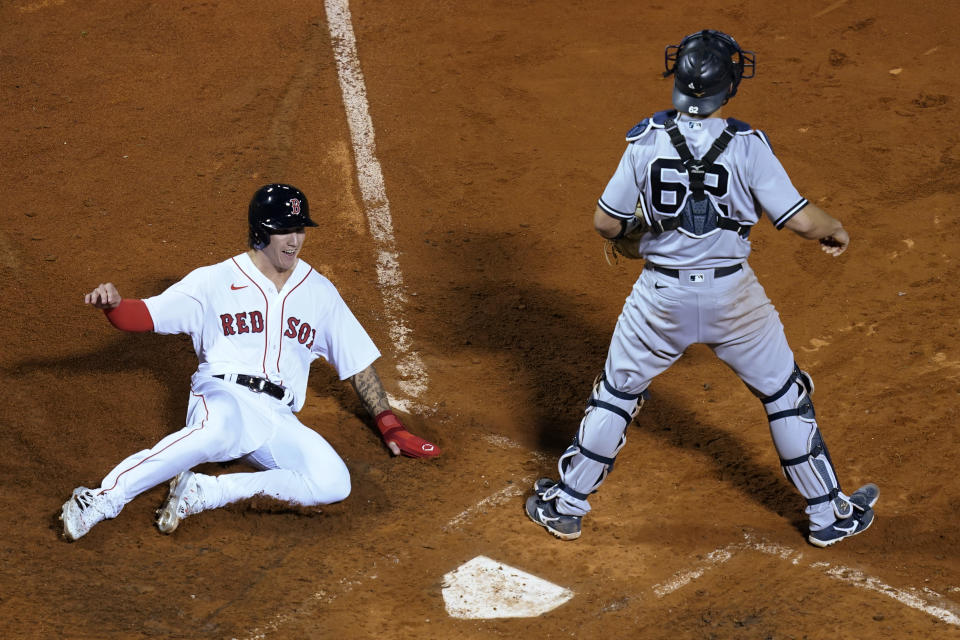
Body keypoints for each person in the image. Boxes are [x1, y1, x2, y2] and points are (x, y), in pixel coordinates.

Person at [525, 30, 877, 547]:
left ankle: (567, 505)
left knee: (617, 395)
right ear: (726, 88)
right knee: (783, 396)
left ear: (678, 82)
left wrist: (634, 236)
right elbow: (801, 221)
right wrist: (836, 229)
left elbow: (606, 222)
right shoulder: (748, 147)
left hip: (658, 300)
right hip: (735, 302)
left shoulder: (644, 142)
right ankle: (829, 515)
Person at [60, 183, 440, 542]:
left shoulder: (319, 292)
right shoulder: (213, 282)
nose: (295, 240)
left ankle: (206, 491)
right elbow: (142, 315)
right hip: (223, 394)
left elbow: (356, 361)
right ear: (260, 231)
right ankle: (100, 498)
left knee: (333, 481)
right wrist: (113, 307)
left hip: (276, 414)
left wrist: (389, 424)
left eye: (300, 230)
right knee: (213, 432)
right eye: (284, 231)